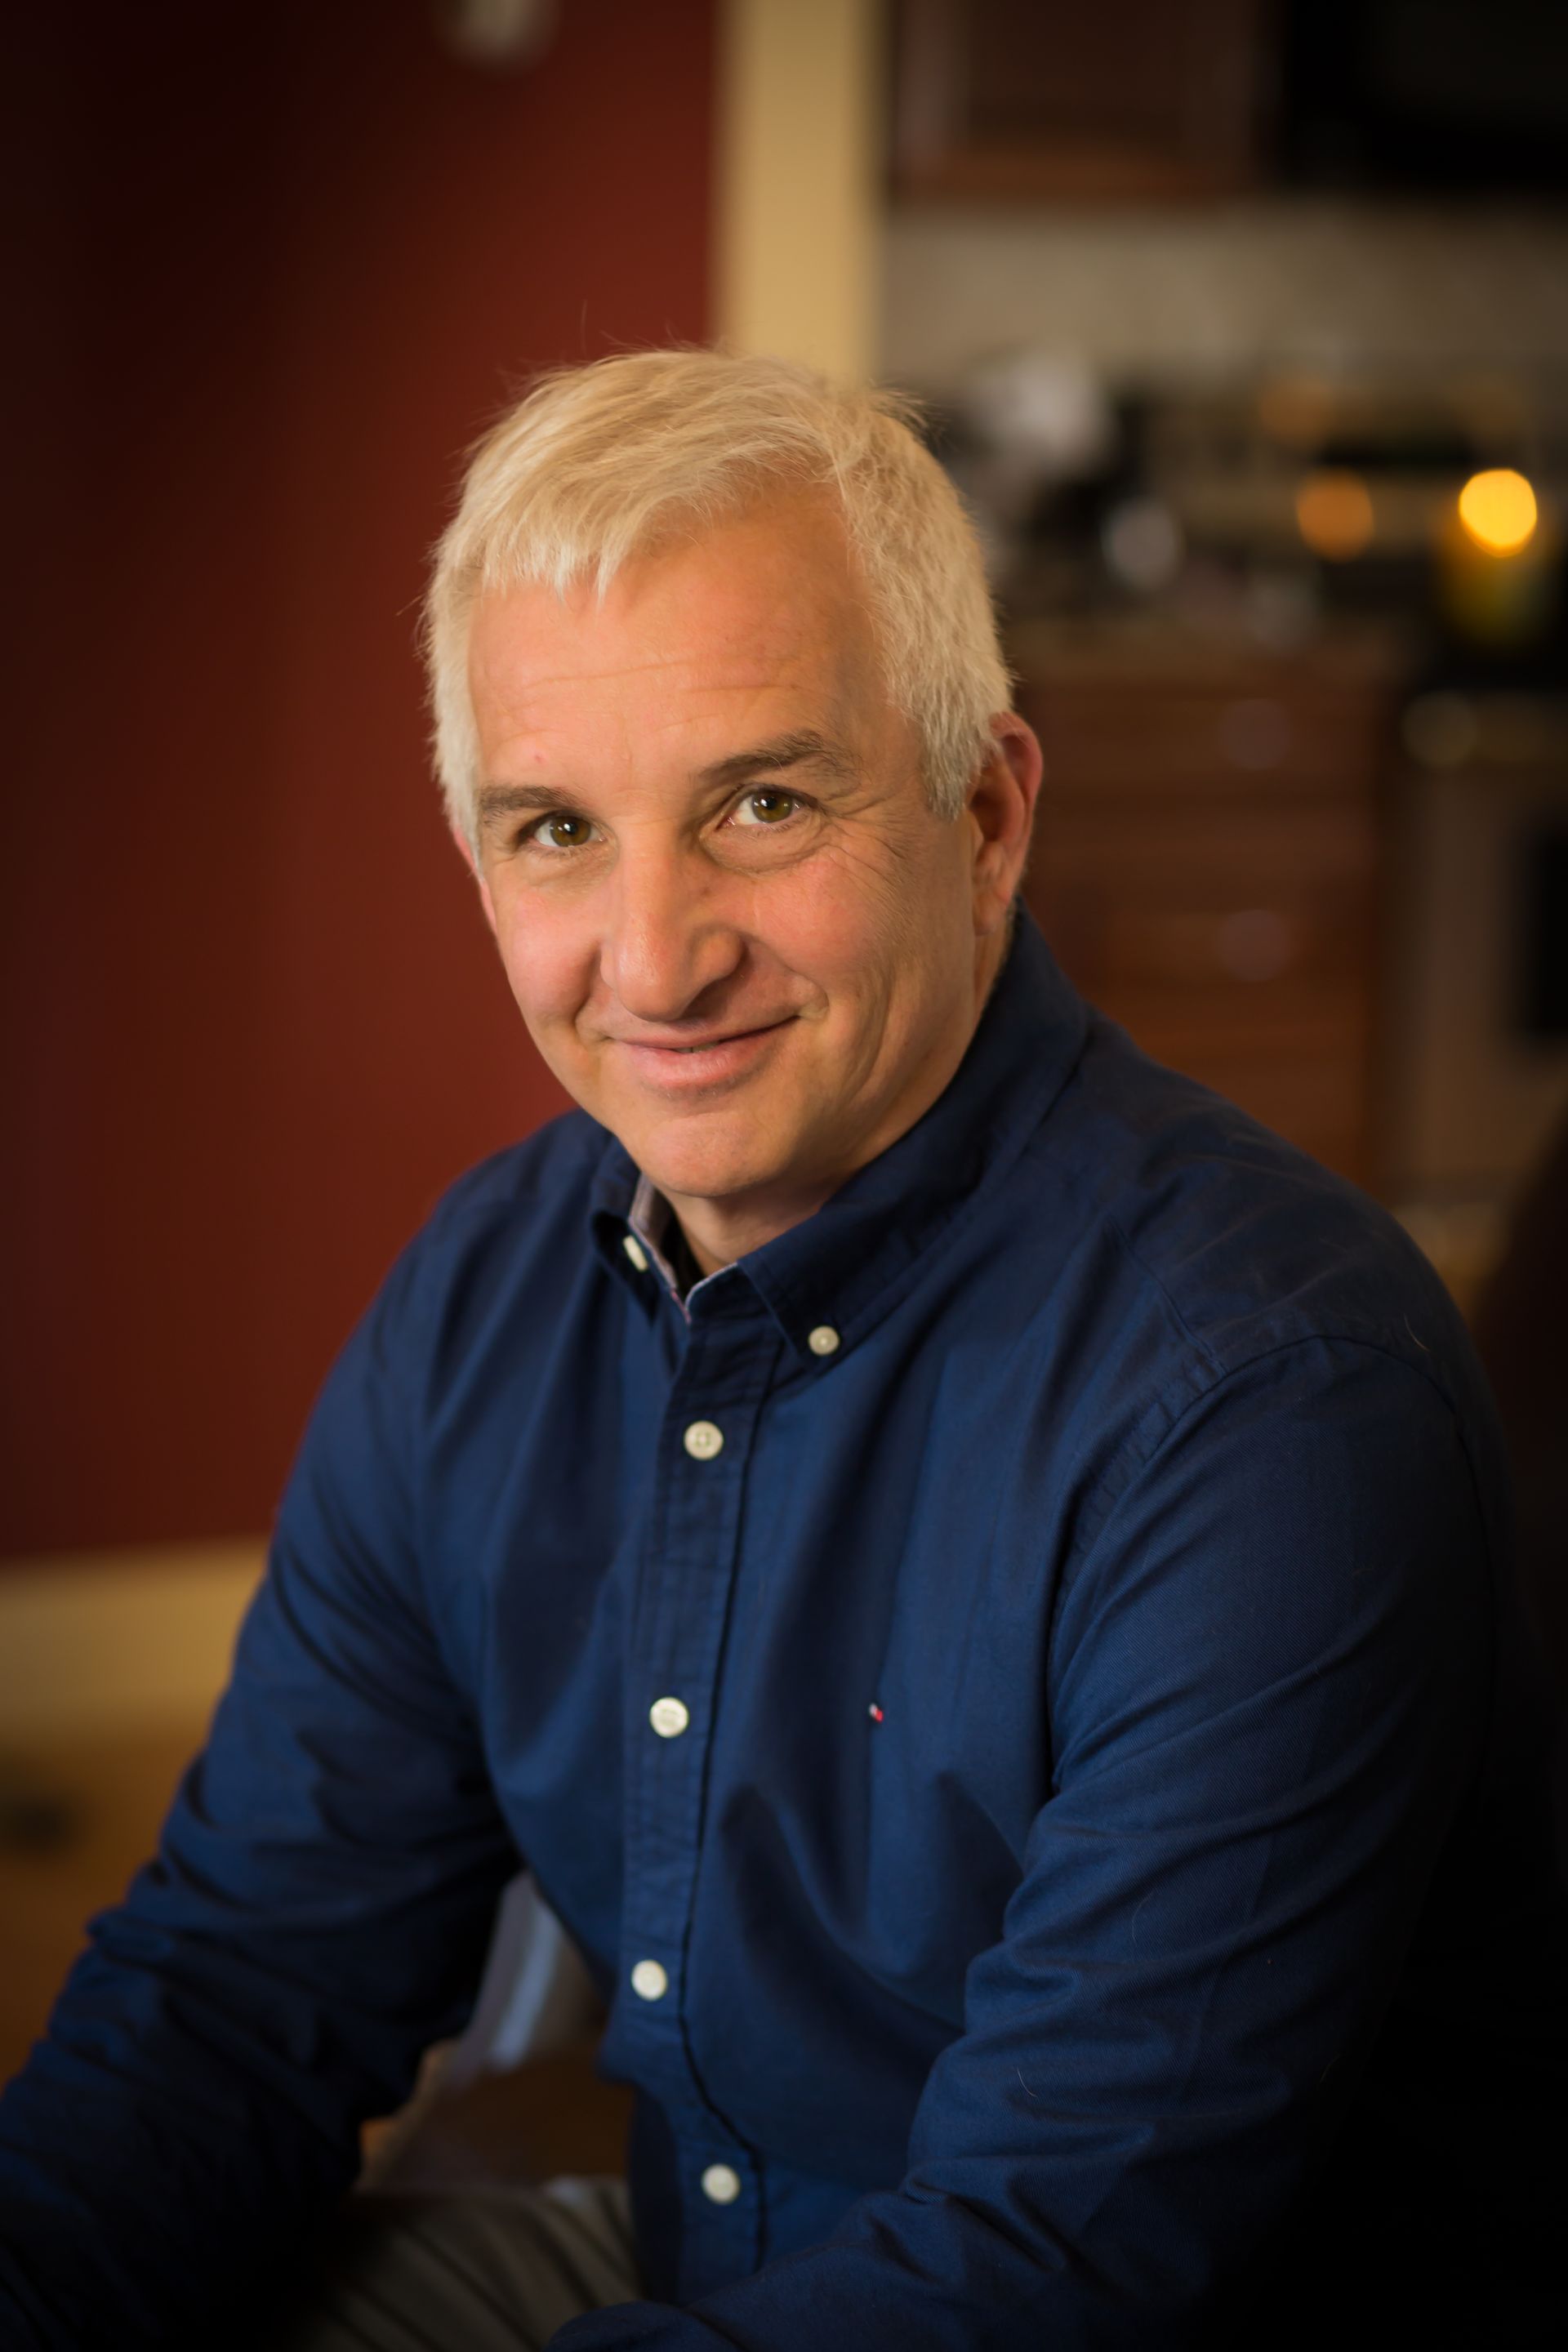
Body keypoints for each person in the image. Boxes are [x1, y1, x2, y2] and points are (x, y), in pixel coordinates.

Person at [1, 350, 1562, 2351]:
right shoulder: (484, 1304)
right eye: (558, 829)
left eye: (761, 802)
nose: (653, 962)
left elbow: (1049, 2272)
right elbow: (233, 1993)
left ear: (986, 814)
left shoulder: (1269, 1399)